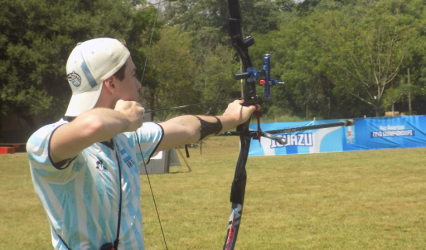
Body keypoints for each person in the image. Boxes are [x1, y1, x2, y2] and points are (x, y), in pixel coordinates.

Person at [26, 38, 257, 250]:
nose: (138, 85)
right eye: (133, 75)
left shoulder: (125, 139)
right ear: (111, 84)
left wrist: (231, 119)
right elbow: (92, 126)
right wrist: (125, 119)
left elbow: (186, 128)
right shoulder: (44, 143)